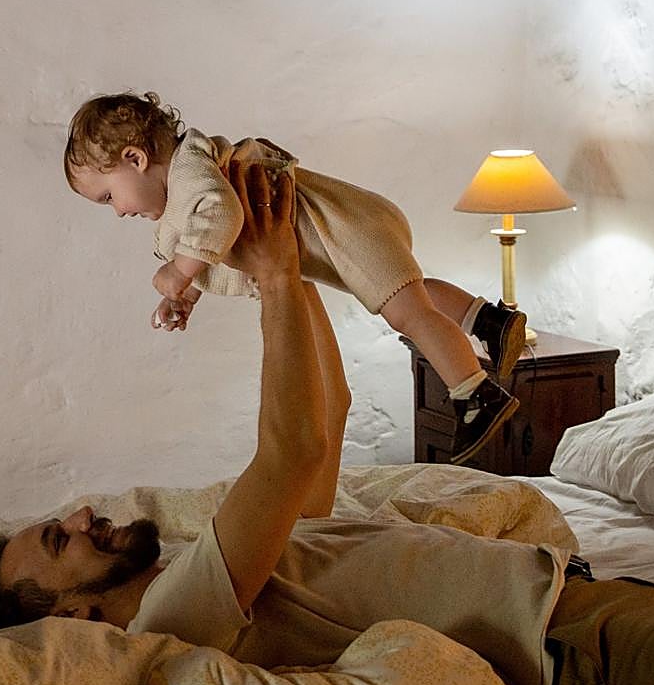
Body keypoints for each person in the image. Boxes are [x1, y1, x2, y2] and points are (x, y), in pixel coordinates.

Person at [0, 161, 654, 685]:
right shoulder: (174, 613)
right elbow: (289, 452)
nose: (82, 516)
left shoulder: (245, 565)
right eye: (59, 540)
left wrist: (296, 261)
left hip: (598, 597)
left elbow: (328, 412)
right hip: (579, 656)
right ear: (71, 615)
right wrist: (276, 275)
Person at [62, 90, 526, 464]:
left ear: (135, 158)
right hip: (340, 240)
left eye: (108, 197)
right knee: (408, 293)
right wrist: (185, 294)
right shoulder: (183, 200)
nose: (119, 212)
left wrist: (179, 270)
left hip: (345, 227)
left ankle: (476, 393)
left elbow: (222, 217)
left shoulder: (192, 171)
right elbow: (213, 245)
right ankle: (486, 320)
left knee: (409, 313)